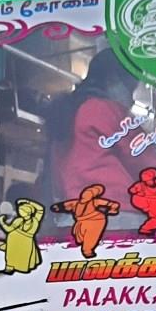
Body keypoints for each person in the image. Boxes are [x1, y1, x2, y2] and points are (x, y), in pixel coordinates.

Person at [48, 48, 144, 207]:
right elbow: (144, 160)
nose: (132, 100)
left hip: (73, 209)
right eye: (130, 90)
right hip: (117, 209)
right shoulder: (105, 111)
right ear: (112, 81)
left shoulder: (66, 113)